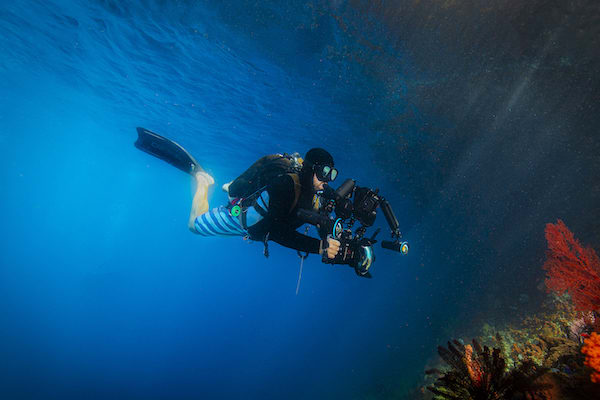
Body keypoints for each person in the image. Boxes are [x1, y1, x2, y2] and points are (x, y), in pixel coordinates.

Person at [188, 148, 341, 260]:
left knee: (237, 192)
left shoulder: (314, 192)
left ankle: (231, 188)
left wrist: (330, 232)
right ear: (309, 170)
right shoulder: (285, 185)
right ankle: (203, 181)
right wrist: (320, 247)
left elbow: (319, 218)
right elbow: (276, 232)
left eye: (332, 174)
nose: (327, 180)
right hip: (239, 218)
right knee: (194, 226)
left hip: (256, 217)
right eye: (323, 173)